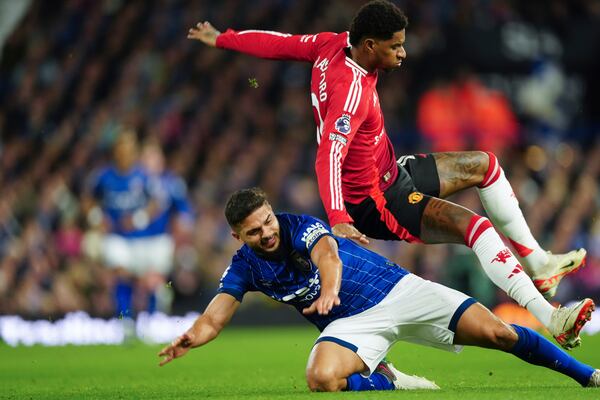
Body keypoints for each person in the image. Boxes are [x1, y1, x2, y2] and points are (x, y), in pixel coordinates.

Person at [186, 0, 590, 349]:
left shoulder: (332, 43)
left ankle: (538, 263)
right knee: (475, 227)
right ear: (369, 46)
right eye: (395, 45)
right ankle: (550, 316)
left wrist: (223, 37)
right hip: (375, 202)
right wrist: (340, 218)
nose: (403, 52)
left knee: (485, 165)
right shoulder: (351, 95)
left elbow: (278, 43)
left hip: (391, 172)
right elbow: (328, 154)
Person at [158, 188, 599, 392]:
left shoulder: (299, 227)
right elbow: (216, 315)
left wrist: (328, 291)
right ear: (238, 236)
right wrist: (191, 338)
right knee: (320, 378)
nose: (268, 233)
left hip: (399, 290)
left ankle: (588, 376)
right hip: (352, 325)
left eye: (268, 221)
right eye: (255, 231)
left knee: (501, 334)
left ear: (274, 214)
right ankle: (387, 383)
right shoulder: (244, 266)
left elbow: (328, 254)